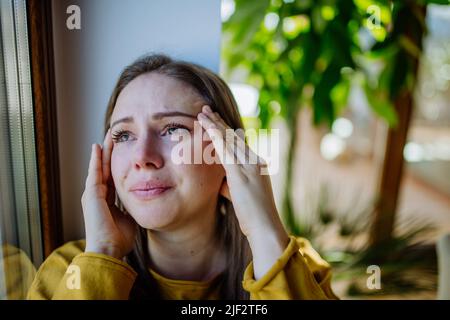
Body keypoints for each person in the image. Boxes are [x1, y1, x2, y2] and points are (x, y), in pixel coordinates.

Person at [27, 54, 338, 300]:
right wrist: (104, 254)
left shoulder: (297, 266)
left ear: (227, 151)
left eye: (173, 129)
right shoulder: (67, 271)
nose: (142, 158)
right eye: (123, 135)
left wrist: (264, 231)